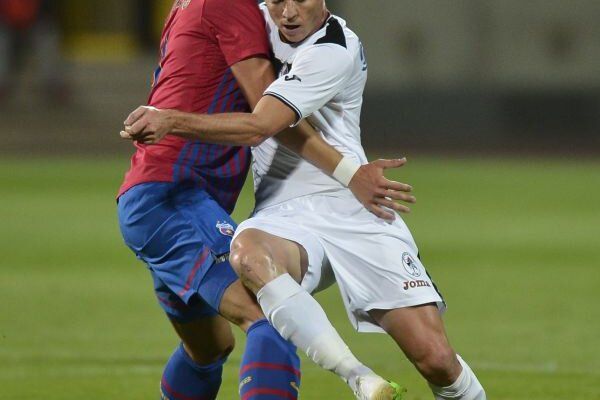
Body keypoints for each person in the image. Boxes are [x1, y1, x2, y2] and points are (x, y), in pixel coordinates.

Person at [121, 1, 487, 399]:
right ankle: (359, 378)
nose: (290, 13)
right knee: (261, 288)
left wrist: (170, 118)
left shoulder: (334, 47)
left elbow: (264, 125)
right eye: (280, 0)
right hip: (278, 214)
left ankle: (389, 380)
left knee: (436, 359)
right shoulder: (248, 17)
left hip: (353, 205)